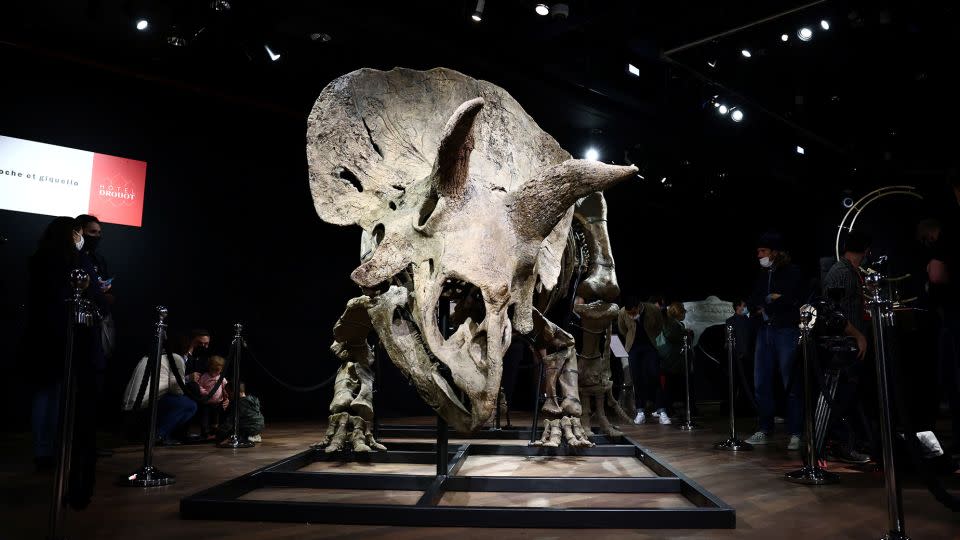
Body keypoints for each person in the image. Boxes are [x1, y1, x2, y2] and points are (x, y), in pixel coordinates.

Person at [22, 216, 109, 508]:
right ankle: (65, 450)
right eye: (81, 232)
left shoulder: (38, 260)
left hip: (42, 338)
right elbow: (95, 297)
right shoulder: (77, 261)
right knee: (62, 396)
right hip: (71, 340)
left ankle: (43, 450)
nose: (85, 237)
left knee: (45, 394)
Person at [745, 231, 805, 450]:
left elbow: (790, 300)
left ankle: (796, 432)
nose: (759, 255)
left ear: (774, 252)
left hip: (786, 330)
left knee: (791, 383)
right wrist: (770, 300)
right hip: (765, 331)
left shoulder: (792, 272)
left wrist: (768, 303)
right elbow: (753, 301)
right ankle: (764, 428)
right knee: (761, 382)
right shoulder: (763, 275)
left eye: (763, 251)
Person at [821, 231, 872, 464]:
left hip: (850, 345)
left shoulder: (849, 272)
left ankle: (850, 442)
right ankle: (840, 444)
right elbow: (834, 313)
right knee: (843, 398)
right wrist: (858, 335)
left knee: (851, 396)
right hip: (844, 346)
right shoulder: (842, 272)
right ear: (866, 250)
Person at [121, 344, 197, 446]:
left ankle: (149, 433)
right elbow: (178, 390)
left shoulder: (149, 356)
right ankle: (159, 436)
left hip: (131, 406)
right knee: (189, 405)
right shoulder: (176, 358)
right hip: (146, 405)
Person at [617, 295, 667, 424]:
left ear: (638, 306)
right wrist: (630, 337)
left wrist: (651, 335)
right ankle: (640, 411)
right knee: (636, 378)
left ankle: (661, 410)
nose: (632, 315)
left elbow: (659, 325)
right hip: (633, 348)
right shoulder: (622, 312)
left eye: (634, 312)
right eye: (629, 313)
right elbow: (622, 329)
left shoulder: (652, 309)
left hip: (650, 347)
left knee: (654, 375)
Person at [196, 355, 229, 439]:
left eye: (217, 370)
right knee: (205, 419)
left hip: (218, 403)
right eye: (212, 369)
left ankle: (214, 433)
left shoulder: (222, 378)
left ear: (221, 369)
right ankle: (205, 433)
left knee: (216, 419)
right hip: (206, 403)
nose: (214, 372)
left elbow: (226, 388)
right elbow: (199, 386)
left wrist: (226, 395)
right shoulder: (205, 377)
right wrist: (204, 392)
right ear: (209, 367)